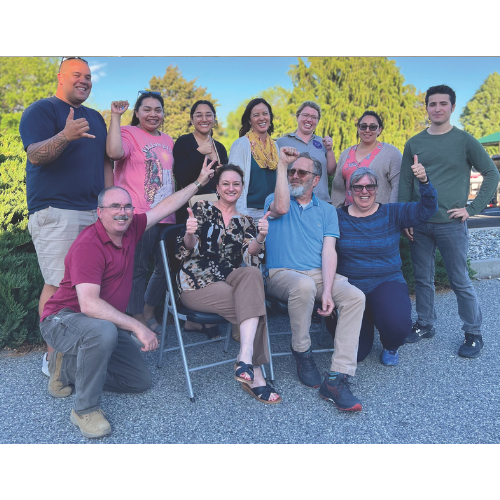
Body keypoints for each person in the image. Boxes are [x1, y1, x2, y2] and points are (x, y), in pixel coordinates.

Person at [39, 161, 214, 439]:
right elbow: (89, 305)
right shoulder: (89, 245)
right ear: (99, 212)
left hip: (99, 324)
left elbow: (165, 207)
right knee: (104, 330)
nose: (122, 213)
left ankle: (69, 368)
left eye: (127, 207)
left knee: (137, 381)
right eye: (115, 207)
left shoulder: (131, 228)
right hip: (63, 320)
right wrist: (138, 325)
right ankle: (84, 409)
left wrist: (199, 182)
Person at [19, 57, 113, 378]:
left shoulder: (97, 118)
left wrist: (110, 206)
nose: (84, 80)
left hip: (93, 212)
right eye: (77, 74)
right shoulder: (42, 110)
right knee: (60, 284)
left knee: (91, 286)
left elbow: (105, 166)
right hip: (56, 211)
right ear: (60, 77)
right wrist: (65, 135)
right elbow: (35, 154)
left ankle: (83, 352)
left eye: (88, 76)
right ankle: (53, 360)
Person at [398, 84, 500, 358]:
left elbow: (491, 173)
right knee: (422, 278)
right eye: (433, 104)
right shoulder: (414, 143)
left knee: (459, 280)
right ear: (427, 108)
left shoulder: (465, 140)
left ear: (452, 107)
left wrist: (473, 208)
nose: (438, 108)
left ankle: (473, 332)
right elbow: (406, 183)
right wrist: (405, 215)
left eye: (443, 104)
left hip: (451, 223)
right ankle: (424, 324)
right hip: (420, 222)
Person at [264, 148, 366, 412]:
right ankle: (302, 351)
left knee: (355, 296)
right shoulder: (273, 199)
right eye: (292, 171)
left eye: (301, 172)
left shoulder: (327, 210)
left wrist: (329, 291)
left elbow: (329, 251)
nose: (295, 176)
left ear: (316, 180)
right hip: (281, 273)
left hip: (317, 274)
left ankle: (337, 377)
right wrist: (282, 166)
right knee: (304, 285)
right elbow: (282, 206)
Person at [176, 164, 281, 405]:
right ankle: (255, 375)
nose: (231, 188)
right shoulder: (201, 209)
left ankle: (244, 357)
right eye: (226, 183)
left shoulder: (245, 221)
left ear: (242, 188)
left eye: (236, 184)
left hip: (228, 277)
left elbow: (252, 251)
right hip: (197, 282)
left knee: (253, 273)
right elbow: (186, 248)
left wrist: (261, 237)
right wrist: (189, 233)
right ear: (218, 188)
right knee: (254, 306)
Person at [335, 165, 438, 366]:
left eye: (370, 186)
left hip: (386, 280)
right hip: (349, 286)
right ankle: (372, 313)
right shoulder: (337, 217)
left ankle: (390, 345)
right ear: (350, 190)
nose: (364, 191)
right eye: (358, 187)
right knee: (356, 354)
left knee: (398, 326)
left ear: (377, 188)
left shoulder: (392, 212)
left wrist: (424, 181)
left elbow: (427, 209)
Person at [106, 91, 175, 337]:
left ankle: (147, 310)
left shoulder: (168, 139)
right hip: (139, 214)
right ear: (137, 112)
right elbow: (114, 153)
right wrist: (115, 117)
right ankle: (135, 318)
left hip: (166, 214)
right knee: (137, 268)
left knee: (168, 267)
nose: (153, 114)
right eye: (147, 109)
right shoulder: (128, 133)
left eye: (158, 110)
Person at [331, 111, 402, 207]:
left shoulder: (391, 153)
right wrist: (337, 211)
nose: (367, 130)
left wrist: (392, 213)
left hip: (380, 216)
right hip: (348, 217)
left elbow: (397, 186)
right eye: (363, 126)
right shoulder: (345, 154)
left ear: (380, 130)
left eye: (373, 127)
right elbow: (338, 188)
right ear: (358, 129)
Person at [173, 100, 228, 224]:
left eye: (208, 115)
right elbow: (181, 177)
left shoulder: (220, 148)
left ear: (214, 119)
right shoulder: (183, 142)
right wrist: (199, 153)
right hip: (190, 211)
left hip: (216, 209)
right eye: (199, 115)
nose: (204, 119)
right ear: (192, 120)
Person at [228, 97, 279, 219]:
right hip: (250, 213)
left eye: (265, 114)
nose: (262, 118)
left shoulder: (275, 146)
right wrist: (241, 216)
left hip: (273, 213)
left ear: (270, 117)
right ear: (250, 121)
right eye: (256, 115)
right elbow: (233, 183)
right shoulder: (241, 145)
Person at [276, 100, 337, 203]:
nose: (309, 120)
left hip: (321, 202)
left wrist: (329, 149)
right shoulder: (282, 142)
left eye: (314, 117)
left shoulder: (322, 142)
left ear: (318, 121)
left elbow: (331, 171)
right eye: (305, 115)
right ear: (297, 117)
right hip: (291, 202)